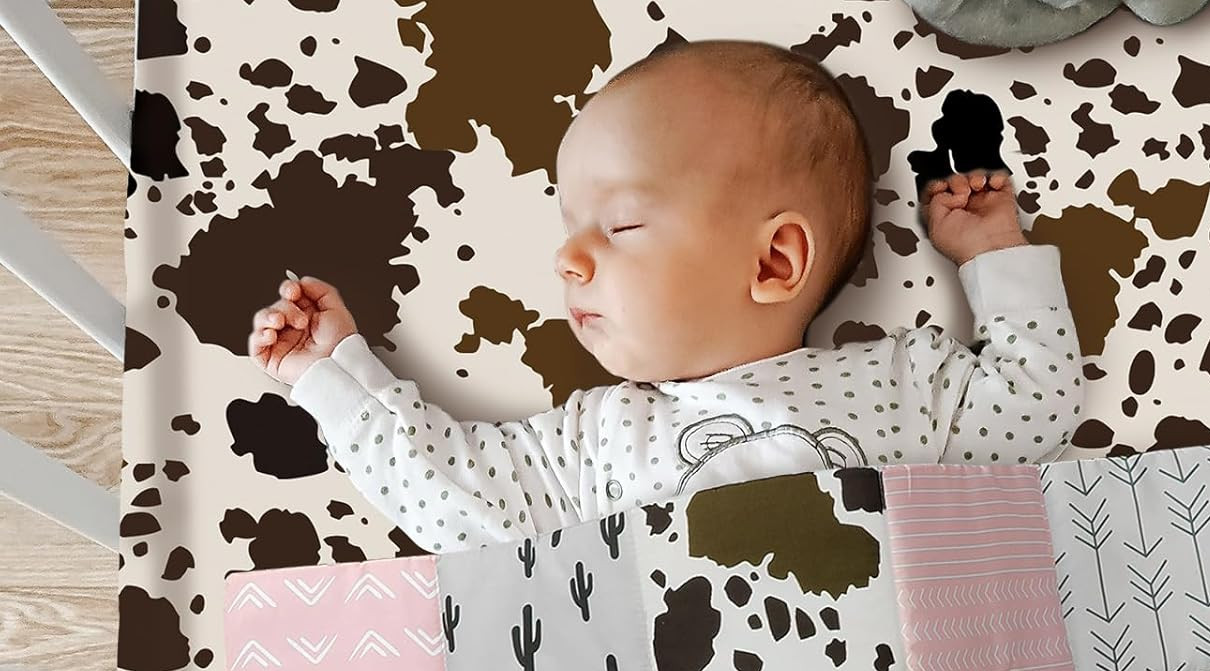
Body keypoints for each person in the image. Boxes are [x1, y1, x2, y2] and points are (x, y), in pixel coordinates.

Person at [247, 37, 1082, 551]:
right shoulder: (594, 442)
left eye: (621, 225)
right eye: (571, 227)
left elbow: (1035, 404)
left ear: (774, 262)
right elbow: (455, 500)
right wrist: (335, 374)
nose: (567, 259)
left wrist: (993, 252)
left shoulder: (896, 386)